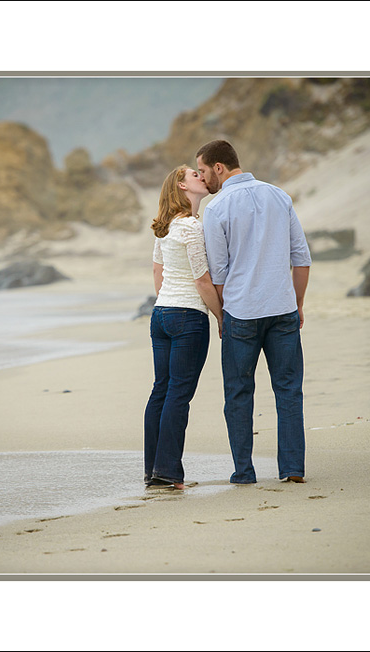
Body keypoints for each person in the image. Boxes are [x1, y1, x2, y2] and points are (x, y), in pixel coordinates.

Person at [197, 140, 312, 485]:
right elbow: (301, 258)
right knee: (289, 390)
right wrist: (298, 302)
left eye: (203, 171)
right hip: (282, 309)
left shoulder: (217, 209)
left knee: (238, 393)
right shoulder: (279, 196)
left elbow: (217, 276)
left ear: (219, 167)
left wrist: (222, 317)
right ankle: (292, 468)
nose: (203, 180)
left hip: (241, 313)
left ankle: (244, 472)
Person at [144, 165, 224, 490]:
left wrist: (167, 299)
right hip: (188, 317)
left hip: (161, 314)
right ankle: (169, 473)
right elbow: (202, 280)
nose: (200, 177)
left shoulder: (164, 228)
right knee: (178, 394)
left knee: (160, 390)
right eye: (194, 174)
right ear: (181, 185)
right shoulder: (191, 227)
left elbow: (157, 272)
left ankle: (153, 471)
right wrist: (221, 317)